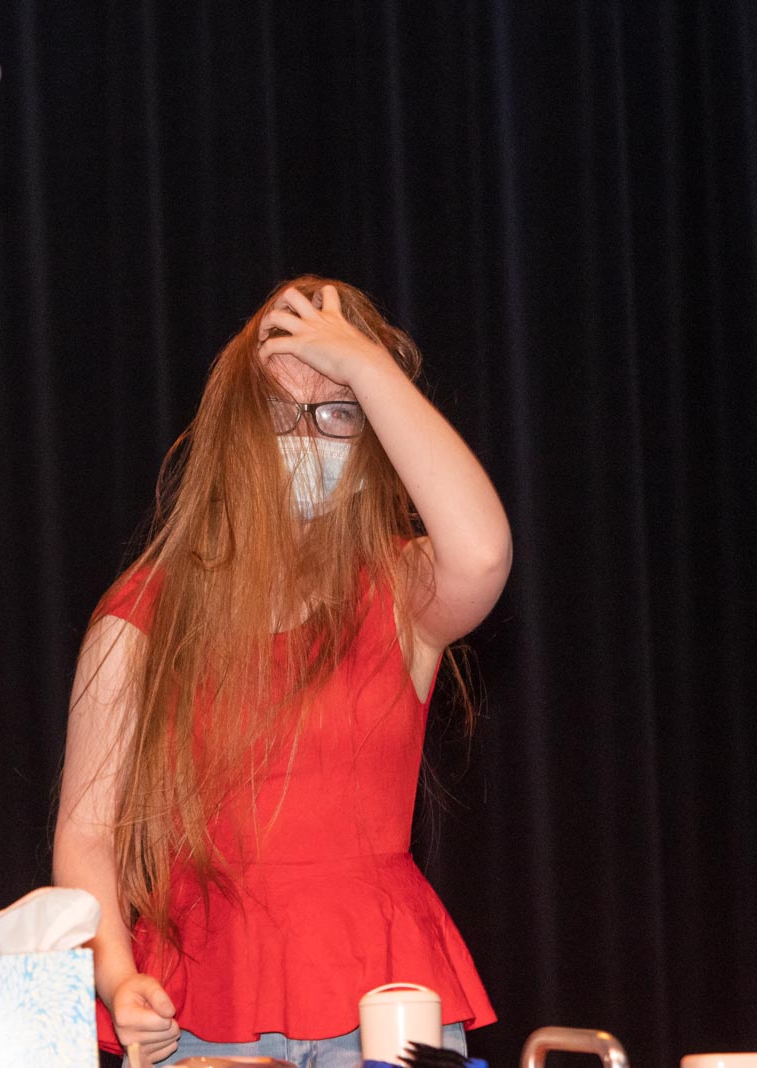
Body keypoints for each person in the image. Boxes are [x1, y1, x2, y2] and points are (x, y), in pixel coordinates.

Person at [53, 277, 511, 1068]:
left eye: (339, 412)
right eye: (278, 410)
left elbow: (484, 551)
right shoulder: (142, 614)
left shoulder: (400, 591)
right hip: (199, 1001)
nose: (307, 436)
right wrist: (118, 979)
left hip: (383, 991)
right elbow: (86, 834)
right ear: (233, 429)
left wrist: (368, 366)